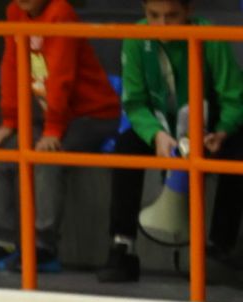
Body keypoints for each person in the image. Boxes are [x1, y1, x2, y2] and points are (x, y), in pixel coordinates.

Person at [0, 0, 120, 274]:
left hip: (92, 116)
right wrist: (10, 122)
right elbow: (12, 66)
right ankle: (5, 244)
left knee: (45, 156)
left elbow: (61, 77)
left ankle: (43, 247)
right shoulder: (15, 12)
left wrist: (53, 130)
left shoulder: (61, 13)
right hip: (50, 116)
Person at [98, 0, 243, 284]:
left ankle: (219, 248)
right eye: (154, 16)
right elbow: (135, 103)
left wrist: (222, 131)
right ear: (144, 10)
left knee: (239, 151)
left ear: (188, 12)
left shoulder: (211, 38)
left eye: (172, 16)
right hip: (159, 127)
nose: (162, 25)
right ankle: (123, 245)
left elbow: (233, 96)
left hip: (208, 130)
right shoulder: (136, 39)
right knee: (126, 146)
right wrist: (156, 134)